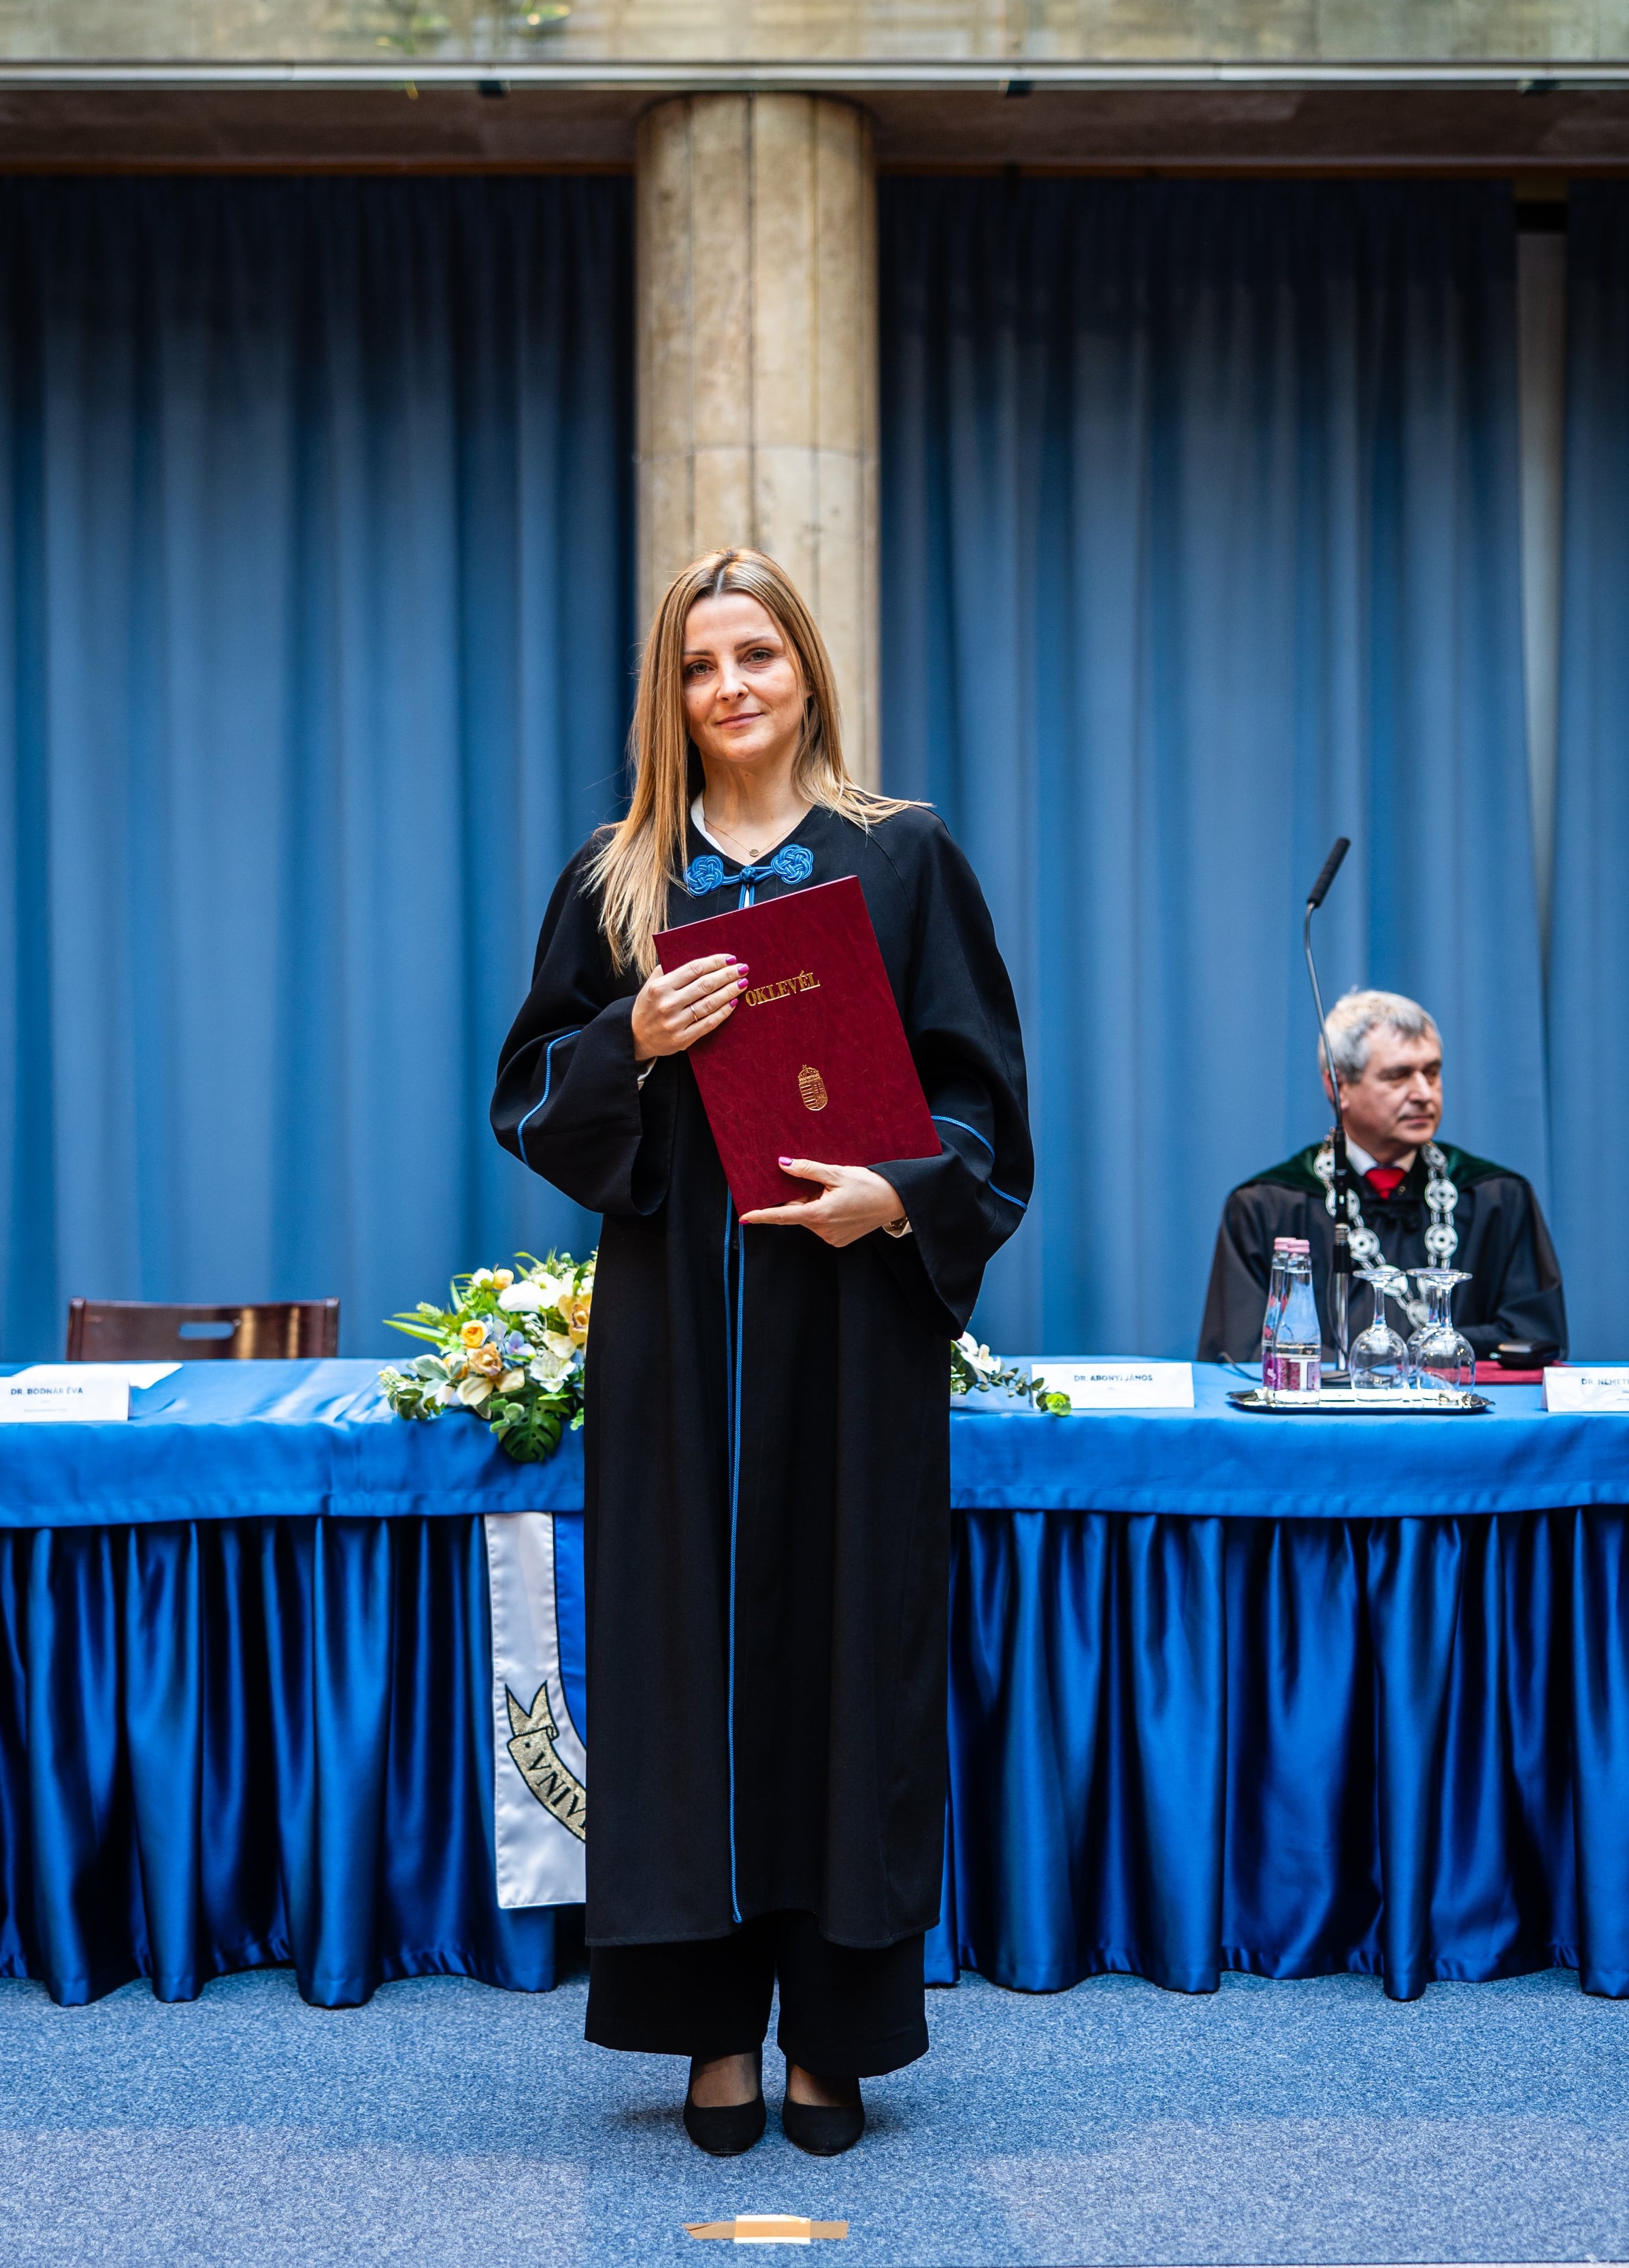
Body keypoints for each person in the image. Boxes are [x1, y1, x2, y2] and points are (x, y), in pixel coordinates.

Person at [493, 548, 1031, 2157]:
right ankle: (708, 2029)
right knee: (679, 1675)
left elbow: (983, 1099)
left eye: (755, 655)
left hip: (849, 1336)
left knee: (845, 1670)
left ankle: (835, 2034)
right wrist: (626, 1038)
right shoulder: (618, 878)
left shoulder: (898, 855)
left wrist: (900, 1192)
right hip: (676, 1336)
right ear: (666, 695)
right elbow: (529, 1098)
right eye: (696, 663)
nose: (727, 686)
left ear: (805, 670)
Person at [1198, 988, 1566, 1367]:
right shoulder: (1268, 1206)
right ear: (1338, 1087)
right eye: (1398, 1076)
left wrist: (1407, 1355)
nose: (1423, 1093)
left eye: (1432, 1073)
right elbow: (1241, 1351)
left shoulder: (1496, 1198)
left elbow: (1532, 1337)